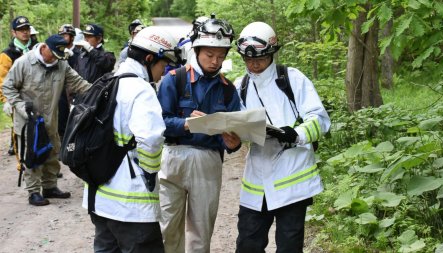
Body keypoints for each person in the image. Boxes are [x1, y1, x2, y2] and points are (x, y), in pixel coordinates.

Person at [233, 22, 331, 253]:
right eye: (248, 60)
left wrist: (296, 134)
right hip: (257, 178)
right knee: (248, 243)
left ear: (272, 54)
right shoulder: (240, 85)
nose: (254, 64)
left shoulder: (292, 79)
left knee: (289, 246)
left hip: (292, 177)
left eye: (259, 58)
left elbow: (320, 120)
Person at [83, 26, 182, 253]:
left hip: (98, 198)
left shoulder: (108, 80)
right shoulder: (141, 89)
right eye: (163, 65)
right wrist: (149, 176)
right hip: (131, 204)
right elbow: (151, 138)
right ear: (149, 58)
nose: (164, 71)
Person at [157, 16, 242, 253]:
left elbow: (236, 132)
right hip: (173, 157)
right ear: (196, 49)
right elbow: (158, 123)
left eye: (221, 56)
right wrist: (186, 123)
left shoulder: (228, 90)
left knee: (201, 232)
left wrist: (233, 143)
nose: (216, 61)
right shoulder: (174, 80)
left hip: (208, 161)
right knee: (166, 228)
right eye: (210, 55)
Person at [2, 34, 91, 206]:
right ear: (44, 48)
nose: (55, 60)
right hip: (29, 121)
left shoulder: (61, 64)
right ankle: (34, 192)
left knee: (52, 151)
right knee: (33, 154)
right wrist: (20, 107)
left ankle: (50, 186)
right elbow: (8, 87)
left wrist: (100, 91)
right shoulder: (24, 63)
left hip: (51, 118)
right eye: (53, 55)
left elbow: (78, 83)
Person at [1, 16, 38, 156]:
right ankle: (23, 164)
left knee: (41, 130)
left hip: (39, 96)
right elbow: (2, 80)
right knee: (20, 132)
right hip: (18, 99)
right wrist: (6, 101)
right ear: (13, 32)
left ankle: (42, 164)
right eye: (21, 30)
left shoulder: (38, 49)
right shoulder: (7, 54)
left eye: (27, 29)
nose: (25, 32)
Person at [57, 24, 80, 140]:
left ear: (72, 37)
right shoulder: (57, 52)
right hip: (60, 89)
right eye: (61, 35)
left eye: (65, 35)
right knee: (61, 116)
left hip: (74, 90)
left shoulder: (79, 52)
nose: (62, 38)